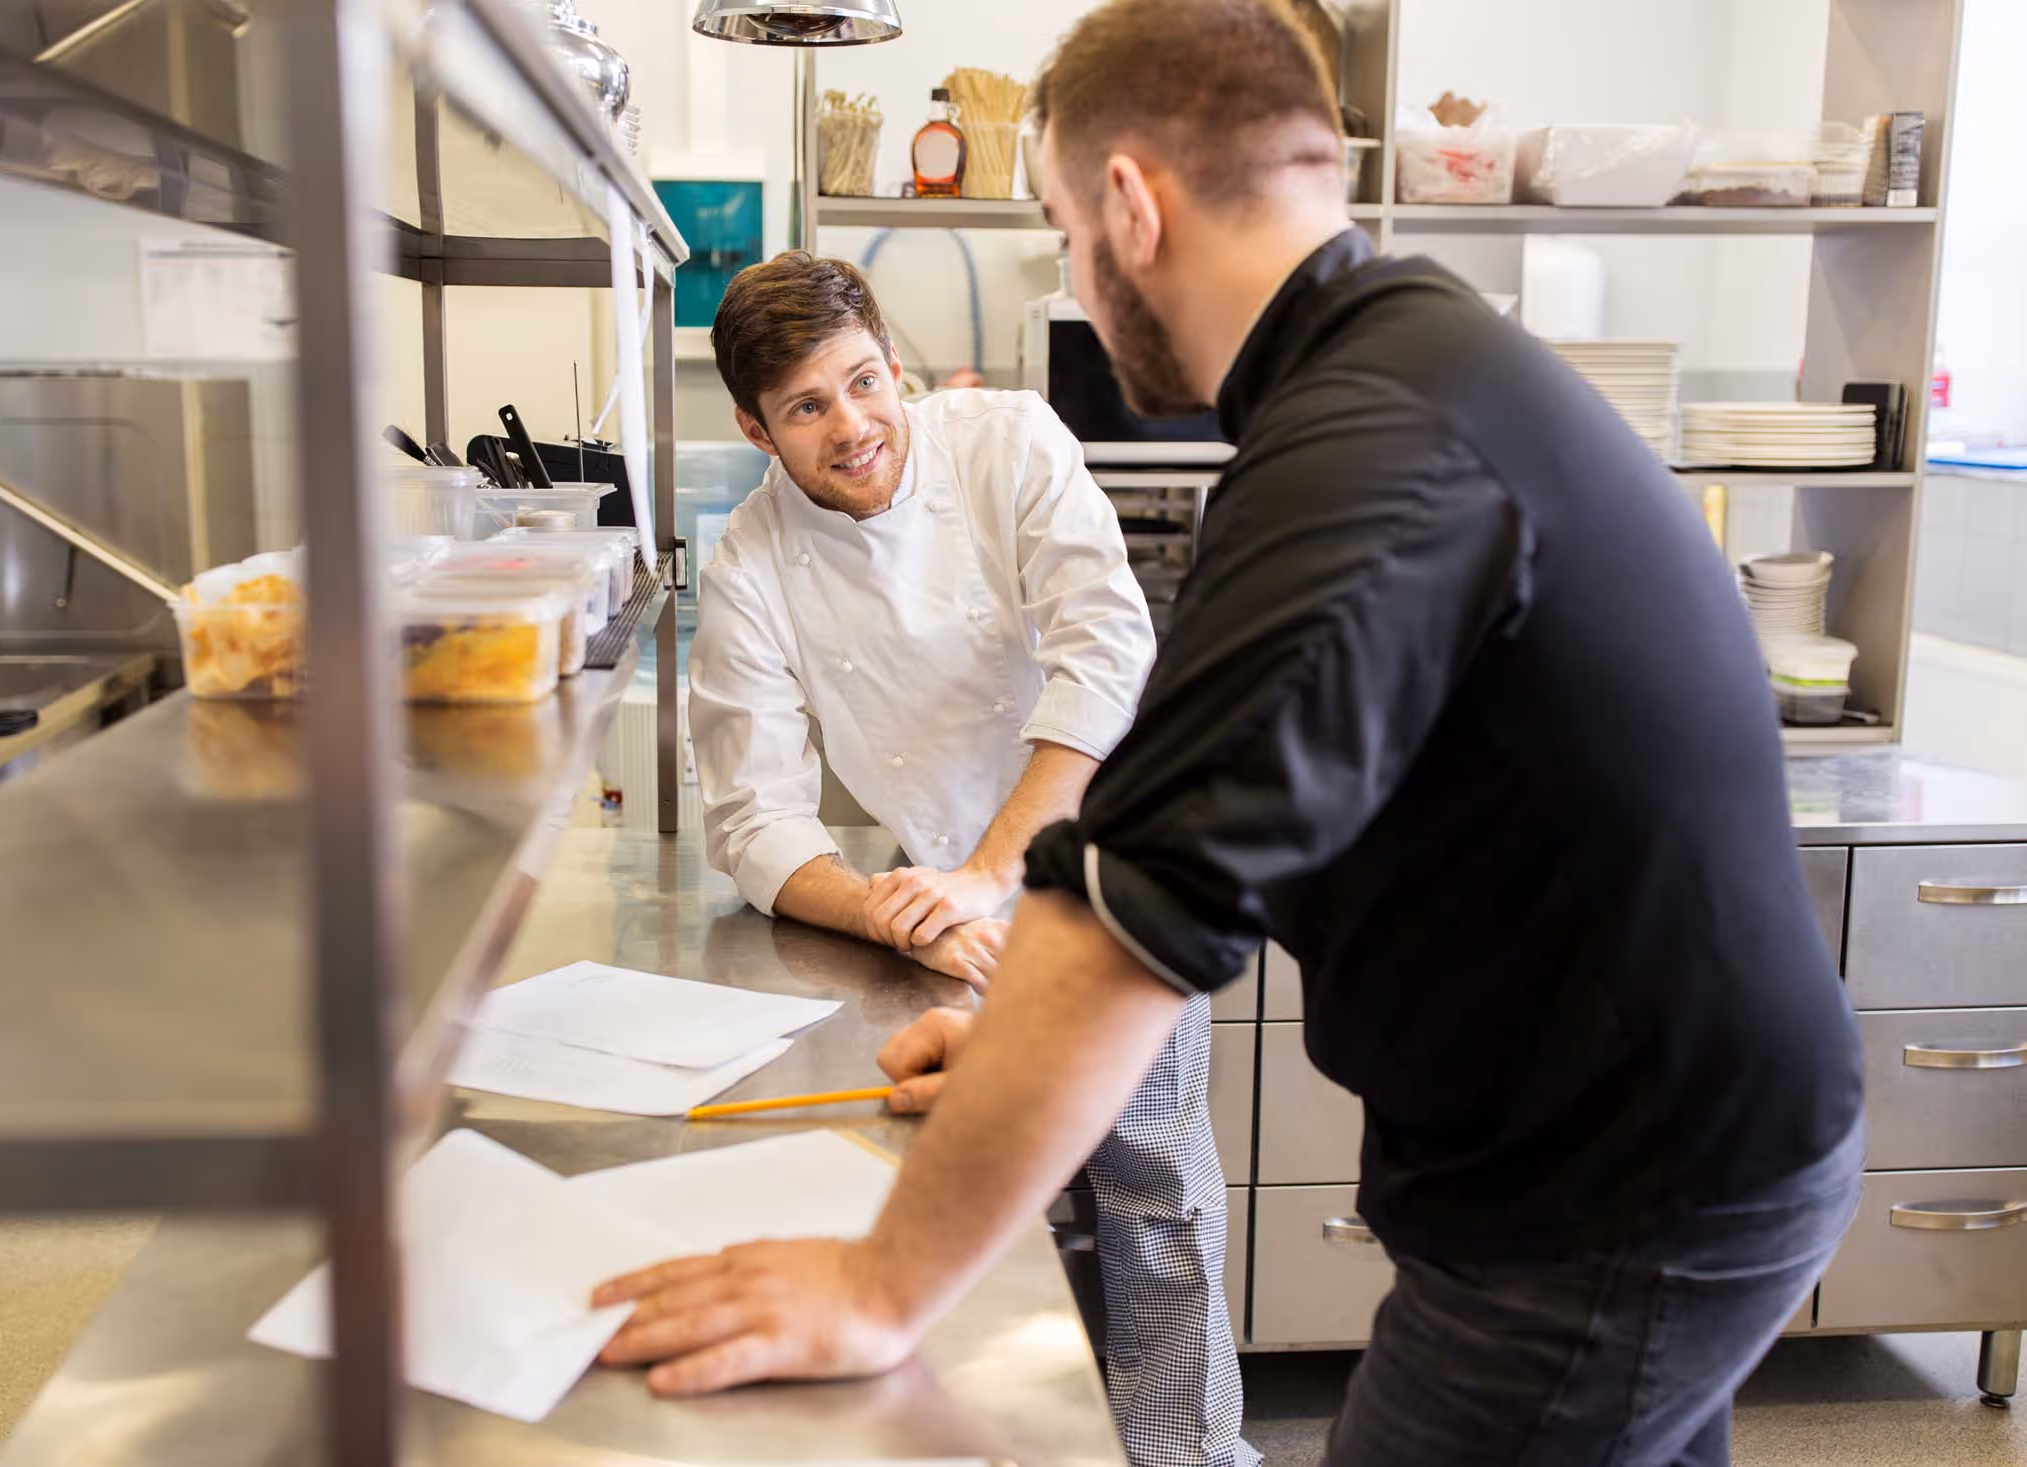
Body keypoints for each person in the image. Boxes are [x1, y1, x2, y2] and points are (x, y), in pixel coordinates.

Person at [595, 2, 1866, 1462]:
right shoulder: (1408, 369)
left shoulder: (1362, 448)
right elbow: (1287, 821)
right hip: (1662, 1139)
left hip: (1610, 1193)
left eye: (1066, 233)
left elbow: (1150, 893)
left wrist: (883, 1282)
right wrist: (1021, 1026)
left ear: (1130, 207)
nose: (1076, 271)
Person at [680, 250, 1253, 1467]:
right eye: (807, 407)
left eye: (863, 381)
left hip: (1112, 867)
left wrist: (995, 869)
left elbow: (1104, 656)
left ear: (894, 360)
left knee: (1154, 1193)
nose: (854, 426)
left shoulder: (1009, 444)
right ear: (755, 429)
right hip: (945, 912)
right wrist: (891, 912)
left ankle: (1187, 1459)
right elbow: (751, 819)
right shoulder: (749, 566)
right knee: (992, 1209)